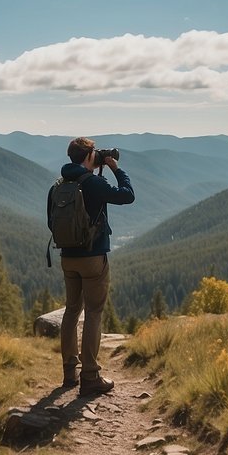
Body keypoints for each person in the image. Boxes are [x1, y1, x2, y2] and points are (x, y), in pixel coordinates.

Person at [49, 137, 134, 395]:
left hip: (67, 258)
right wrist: (116, 168)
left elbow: (51, 222)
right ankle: (90, 376)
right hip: (93, 257)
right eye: (94, 153)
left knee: (71, 311)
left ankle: (69, 373)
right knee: (93, 313)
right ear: (88, 156)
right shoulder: (94, 183)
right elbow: (127, 196)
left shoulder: (58, 186)